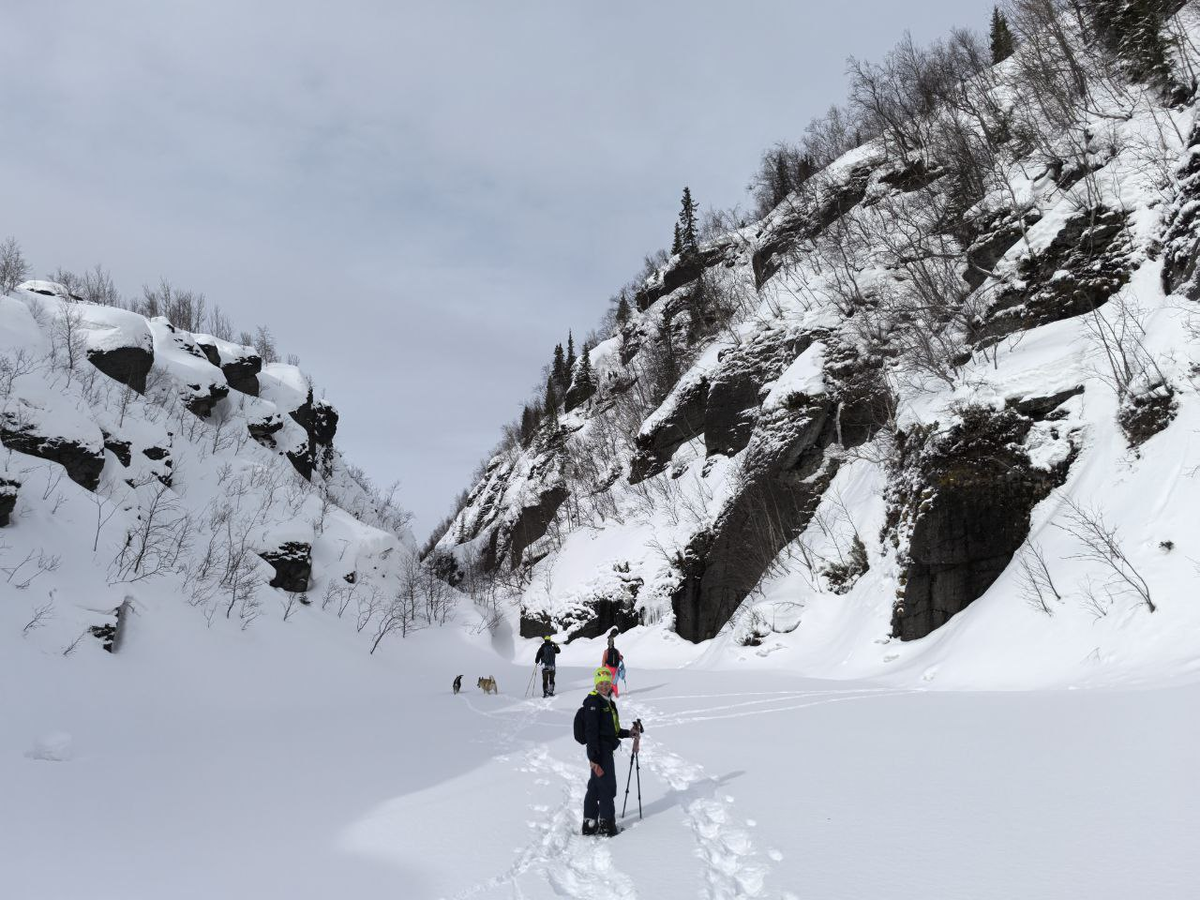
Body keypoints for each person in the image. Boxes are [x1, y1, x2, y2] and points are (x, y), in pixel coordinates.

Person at [580, 666, 641, 837]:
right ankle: (607, 826)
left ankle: (589, 824)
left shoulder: (607, 701)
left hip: (604, 748)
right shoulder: (594, 703)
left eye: (607, 682)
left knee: (594, 787)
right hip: (599, 751)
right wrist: (593, 757)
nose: (605, 686)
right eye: (601, 683)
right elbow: (591, 732)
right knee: (607, 787)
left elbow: (611, 730)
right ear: (596, 684)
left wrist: (628, 733)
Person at [600, 630, 623, 698]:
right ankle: (616, 694)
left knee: (607, 681)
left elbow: (604, 661)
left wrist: (603, 669)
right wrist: (621, 657)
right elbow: (620, 658)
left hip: (608, 668)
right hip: (615, 669)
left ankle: (607, 693)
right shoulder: (617, 650)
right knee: (614, 682)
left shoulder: (606, 651)